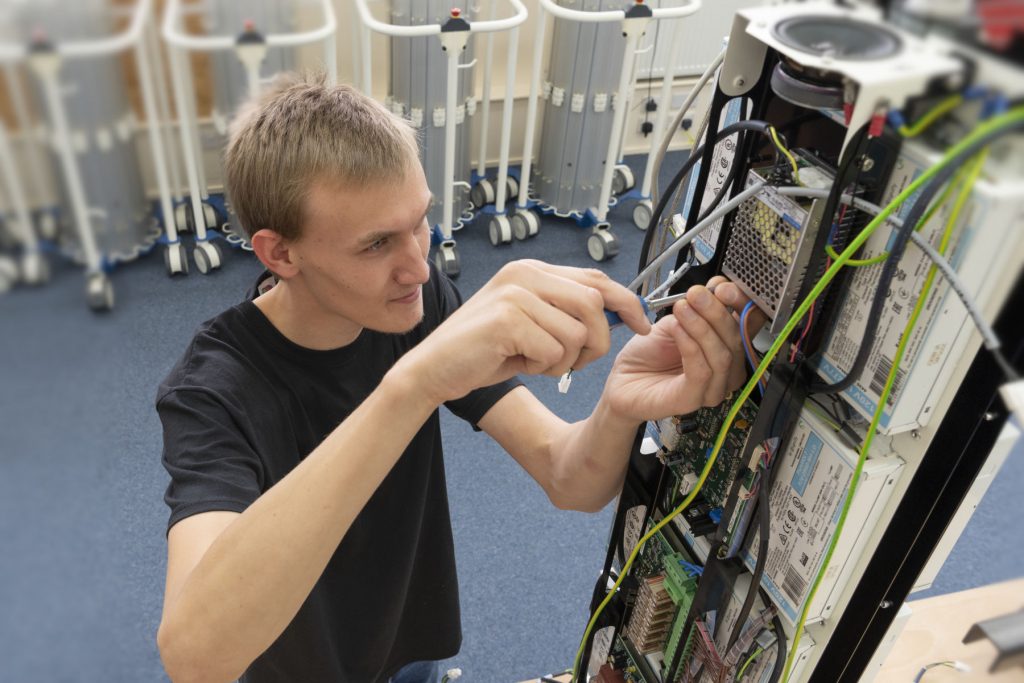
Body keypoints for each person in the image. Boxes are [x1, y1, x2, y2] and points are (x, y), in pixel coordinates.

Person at [155, 72, 756, 683]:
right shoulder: (210, 392)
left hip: (410, 650)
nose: (418, 266)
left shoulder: (411, 300)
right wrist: (414, 385)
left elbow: (568, 477)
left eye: (420, 221)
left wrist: (620, 407)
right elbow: (195, 657)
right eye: (376, 245)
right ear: (280, 254)